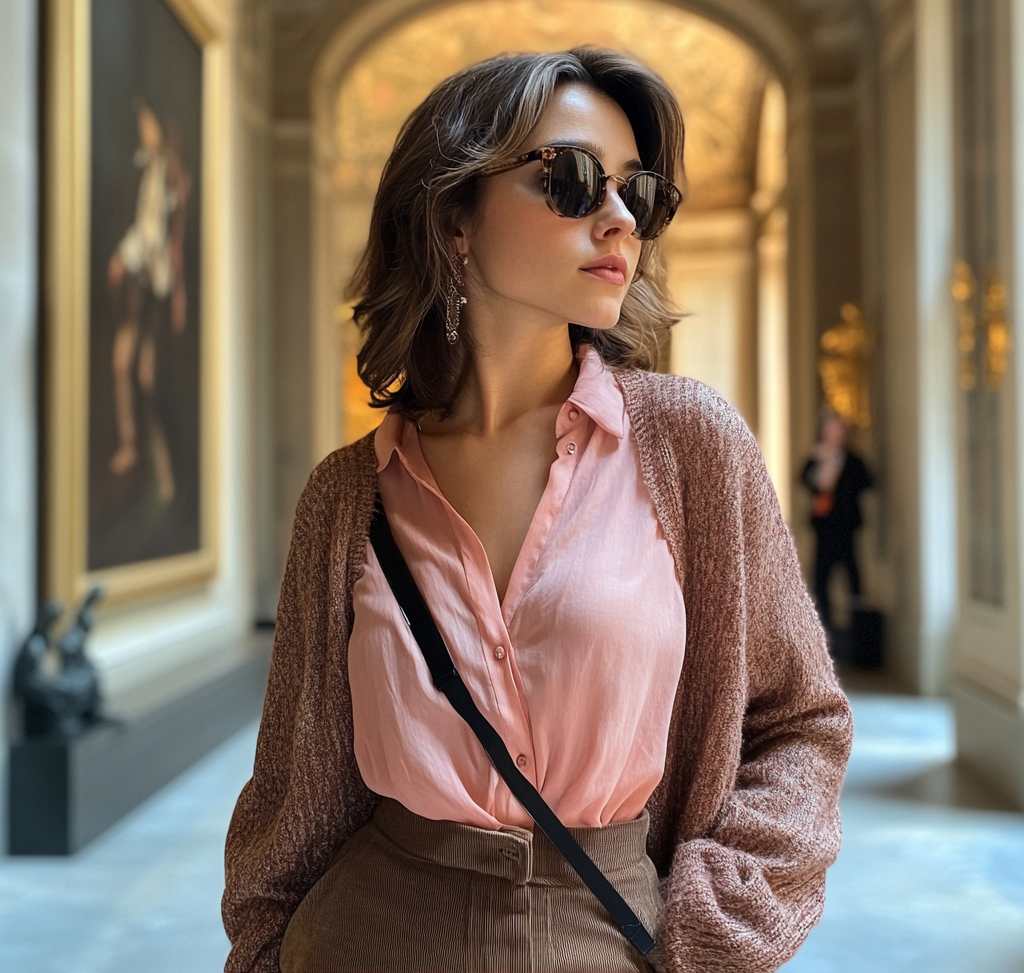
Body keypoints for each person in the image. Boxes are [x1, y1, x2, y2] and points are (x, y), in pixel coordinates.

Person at [223, 48, 852, 973]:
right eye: (571, 178)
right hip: (366, 937)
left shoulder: (686, 446)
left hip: (607, 935)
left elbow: (800, 721)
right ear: (453, 219)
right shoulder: (348, 494)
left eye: (641, 193)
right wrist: (265, 954)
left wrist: (720, 933)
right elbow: (293, 791)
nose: (618, 218)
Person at [107, 101, 191, 504]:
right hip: (140, 286)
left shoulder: (172, 176)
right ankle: (131, 446)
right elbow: (144, 229)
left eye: (146, 122)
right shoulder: (144, 169)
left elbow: (165, 240)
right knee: (124, 364)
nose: (143, 130)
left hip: (154, 287)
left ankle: (163, 467)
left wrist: (177, 292)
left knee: (147, 376)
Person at [802, 411, 873, 633]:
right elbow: (806, 480)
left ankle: (858, 632)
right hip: (825, 529)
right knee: (821, 579)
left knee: (853, 577)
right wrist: (822, 467)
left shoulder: (853, 460)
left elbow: (867, 482)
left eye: (837, 431)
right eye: (829, 431)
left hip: (847, 526)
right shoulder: (816, 459)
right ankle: (825, 632)